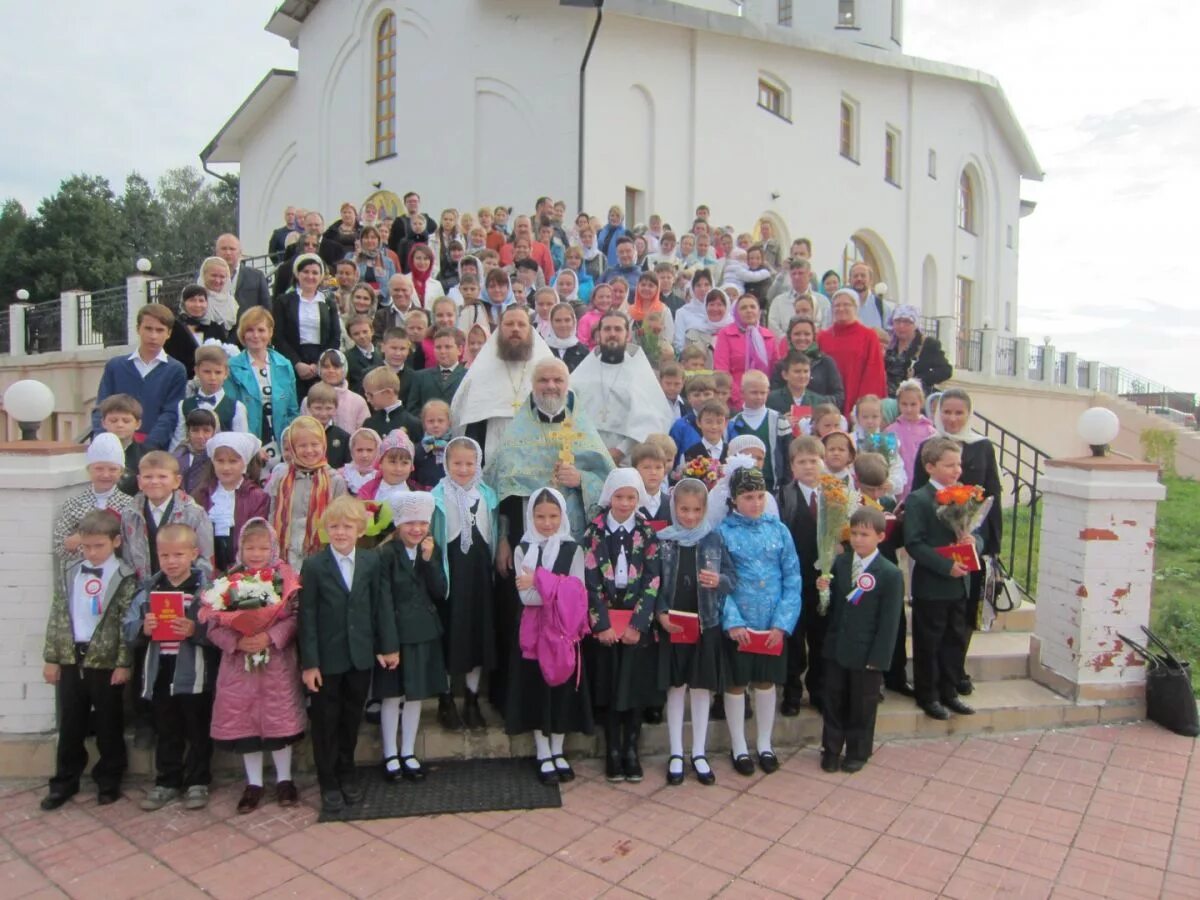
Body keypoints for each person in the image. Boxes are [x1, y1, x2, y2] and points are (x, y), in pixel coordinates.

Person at [299, 496, 399, 812]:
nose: (341, 532)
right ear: (326, 530)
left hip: (359, 656)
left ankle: (347, 770)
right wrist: (310, 663)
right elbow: (308, 616)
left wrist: (387, 645)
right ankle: (327, 779)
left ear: (359, 529)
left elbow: (381, 605)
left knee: (350, 716)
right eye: (335, 526)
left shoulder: (371, 561)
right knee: (326, 718)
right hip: (327, 658)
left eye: (347, 526)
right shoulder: (314, 565)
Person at [40, 510, 138, 810]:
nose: (92, 552)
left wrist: (124, 662)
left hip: (105, 660)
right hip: (72, 657)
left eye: (99, 546)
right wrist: (53, 657)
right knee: (71, 723)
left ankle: (109, 780)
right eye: (87, 546)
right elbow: (59, 615)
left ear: (116, 542)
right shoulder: (70, 572)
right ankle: (65, 781)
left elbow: (126, 624)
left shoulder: (125, 576)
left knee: (109, 723)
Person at [205, 519, 305, 813]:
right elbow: (213, 624)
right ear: (240, 549)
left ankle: (285, 780)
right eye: (250, 547)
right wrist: (237, 641)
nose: (256, 553)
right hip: (240, 669)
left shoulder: (284, 578)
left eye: (263, 547)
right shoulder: (228, 580)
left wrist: (269, 636)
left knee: (278, 724)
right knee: (245, 726)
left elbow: (295, 618)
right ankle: (254, 783)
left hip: (276, 665)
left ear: (273, 548)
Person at [910, 388, 1003, 695]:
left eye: (958, 412)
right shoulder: (929, 446)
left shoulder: (982, 446)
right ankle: (932, 685)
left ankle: (955, 674)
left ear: (968, 414)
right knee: (935, 624)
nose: (952, 418)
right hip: (937, 549)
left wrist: (986, 544)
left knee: (961, 619)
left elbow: (992, 497)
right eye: (946, 412)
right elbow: (921, 494)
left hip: (970, 544)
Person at [123, 523, 217, 811]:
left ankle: (198, 781)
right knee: (167, 727)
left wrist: (196, 630)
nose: (172, 562)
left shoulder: (206, 590)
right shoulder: (149, 588)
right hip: (161, 670)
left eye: (178, 554)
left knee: (198, 727)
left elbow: (220, 629)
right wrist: (144, 628)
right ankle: (167, 781)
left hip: (194, 672)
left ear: (194, 554)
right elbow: (127, 627)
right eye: (165, 556)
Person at [507, 488, 593, 783]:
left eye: (553, 516)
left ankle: (558, 749)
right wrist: (557, 587)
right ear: (530, 517)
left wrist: (540, 580)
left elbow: (578, 595)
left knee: (562, 695)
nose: (547, 523)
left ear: (563, 516)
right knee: (538, 693)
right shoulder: (524, 549)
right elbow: (527, 598)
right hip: (534, 634)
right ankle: (543, 752)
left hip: (564, 635)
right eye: (540, 516)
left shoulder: (573, 550)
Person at [719, 466, 801, 776]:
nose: (755, 503)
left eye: (760, 496)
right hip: (740, 625)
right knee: (737, 683)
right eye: (747, 497)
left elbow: (793, 576)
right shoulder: (723, 533)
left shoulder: (779, 530)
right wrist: (733, 622)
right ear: (734, 499)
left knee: (766, 682)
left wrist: (782, 623)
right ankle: (738, 745)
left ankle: (764, 743)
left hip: (771, 625)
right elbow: (719, 584)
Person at [583, 469, 663, 783]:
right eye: (619, 497)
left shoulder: (647, 532)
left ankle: (632, 748)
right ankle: (612, 750)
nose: (625, 503)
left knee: (634, 688)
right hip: (607, 627)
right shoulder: (594, 531)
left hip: (634, 626)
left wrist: (639, 624)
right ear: (609, 497)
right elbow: (589, 580)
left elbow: (652, 579)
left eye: (631, 497)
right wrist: (601, 623)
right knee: (611, 687)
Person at [655, 479, 734, 786]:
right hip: (672, 625)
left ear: (705, 509)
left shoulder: (713, 539)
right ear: (674, 508)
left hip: (706, 626)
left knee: (701, 688)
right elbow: (654, 582)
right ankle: (676, 751)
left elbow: (732, 578)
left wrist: (719, 581)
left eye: (696, 510)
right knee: (675, 687)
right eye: (683, 509)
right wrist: (660, 614)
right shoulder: (663, 540)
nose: (689, 516)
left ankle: (698, 752)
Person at [820, 506, 904, 773]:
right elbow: (832, 608)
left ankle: (858, 750)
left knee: (862, 704)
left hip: (866, 652)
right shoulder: (841, 563)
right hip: (837, 647)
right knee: (833, 700)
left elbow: (890, 621)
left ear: (880, 536)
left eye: (864, 534)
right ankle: (831, 748)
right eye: (854, 533)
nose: (858, 539)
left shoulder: (889, 573)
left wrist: (878, 658)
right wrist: (823, 593)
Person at [373, 491, 448, 782]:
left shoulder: (430, 549)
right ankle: (390, 752)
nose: (416, 529)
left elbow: (439, 591)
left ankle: (408, 751)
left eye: (422, 523)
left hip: (423, 632)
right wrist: (387, 644)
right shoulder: (386, 555)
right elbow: (383, 602)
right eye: (409, 523)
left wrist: (429, 561)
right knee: (392, 696)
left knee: (415, 695)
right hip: (396, 634)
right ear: (399, 524)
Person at [904, 437, 977, 720]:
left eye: (958, 464)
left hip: (960, 584)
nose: (956, 470)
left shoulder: (966, 496)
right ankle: (929, 694)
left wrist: (973, 542)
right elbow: (915, 543)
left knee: (954, 640)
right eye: (949, 465)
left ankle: (950, 691)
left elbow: (977, 535)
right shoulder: (919, 499)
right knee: (930, 642)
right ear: (930, 467)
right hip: (933, 585)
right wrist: (945, 566)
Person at [428, 437, 498, 731]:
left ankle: (471, 699)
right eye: (457, 463)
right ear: (446, 463)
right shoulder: (437, 497)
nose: (464, 468)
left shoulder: (487, 496)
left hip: (480, 577)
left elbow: (495, 533)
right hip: (450, 578)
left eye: (470, 463)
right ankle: (446, 700)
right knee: (450, 636)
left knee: (478, 636)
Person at [570, 311, 675, 464]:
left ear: (628, 335)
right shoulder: (584, 371)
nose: (612, 334)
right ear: (599, 334)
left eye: (618, 329)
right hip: (584, 455)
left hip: (626, 459)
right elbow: (569, 412)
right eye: (607, 329)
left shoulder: (640, 373)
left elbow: (652, 420)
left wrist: (621, 450)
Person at [450, 306, 552, 461]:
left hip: (538, 455)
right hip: (492, 454)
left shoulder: (546, 367)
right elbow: (468, 421)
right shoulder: (482, 371)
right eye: (509, 324)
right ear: (499, 328)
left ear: (530, 330)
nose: (515, 329)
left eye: (521, 324)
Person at [93, 303, 188, 451]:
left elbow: (171, 413)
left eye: (160, 330)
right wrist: (102, 440)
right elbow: (101, 407)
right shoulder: (115, 366)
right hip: (114, 447)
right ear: (138, 329)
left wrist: (149, 445)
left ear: (168, 333)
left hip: (154, 450)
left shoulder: (176, 370)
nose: (153, 336)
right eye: (148, 328)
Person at [776, 435, 825, 716]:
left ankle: (818, 690)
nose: (808, 466)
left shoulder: (835, 495)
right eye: (802, 462)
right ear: (792, 466)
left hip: (824, 581)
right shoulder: (784, 496)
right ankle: (792, 692)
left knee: (821, 637)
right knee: (794, 639)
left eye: (813, 460)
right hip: (795, 579)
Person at [52, 434, 135, 587]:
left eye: (112, 469)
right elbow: (59, 546)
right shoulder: (73, 504)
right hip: (80, 574)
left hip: (117, 577)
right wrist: (83, 546)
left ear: (121, 471)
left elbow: (133, 546)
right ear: (89, 469)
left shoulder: (130, 505)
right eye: (99, 468)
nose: (105, 474)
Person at [120, 451, 215, 581]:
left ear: (177, 481)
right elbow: (127, 558)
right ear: (139, 482)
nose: (154, 482)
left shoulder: (194, 514)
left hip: (184, 589)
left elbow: (205, 558)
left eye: (162, 477)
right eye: (148, 477)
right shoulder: (129, 514)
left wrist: (194, 588)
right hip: (142, 589)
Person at [268, 416, 348, 565]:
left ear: (323, 445)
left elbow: (341, 519)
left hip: (322, 557)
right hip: (286, 555)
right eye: (302, 445)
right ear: (293, 448)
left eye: (314, 444)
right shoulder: (280, 478)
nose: (309, 450)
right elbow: (272, 515)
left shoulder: (334, 479)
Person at [226, 308, 300, 468]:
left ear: (271, 332)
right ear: (242, 334)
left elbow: (292, 410)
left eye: (261, 330)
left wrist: (289, 444)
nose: (256, 335)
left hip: (280, 441)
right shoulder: (232, 367)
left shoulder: (284, 364)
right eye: (250, 330)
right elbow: (232, 411)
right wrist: (251, 445)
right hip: (248, 440)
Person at [193, 432, 268, 571]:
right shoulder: (201, 495)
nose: (226, 467)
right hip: (209, 566)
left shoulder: (257, 497)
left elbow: (256, 535)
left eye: (233, 461)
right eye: (220, 461)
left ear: (244, 463)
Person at [272, 254, 343, 401]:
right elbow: (278, 336)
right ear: (297, 274)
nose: (310, 276)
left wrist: (320, 364)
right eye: (306, 272)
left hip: (321, 359)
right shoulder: (284, 301)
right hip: (293, 357)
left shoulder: (328, 302)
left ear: (321, 276)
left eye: (315, 273)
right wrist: (297, 363)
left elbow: (335, 335)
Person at [817, 289, 887, 415]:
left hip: (856, 398)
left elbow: (874, 373)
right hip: (830, 400)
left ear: (856, 307)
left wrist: (862, 406)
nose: (841, 308)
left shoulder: (868, 336)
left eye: (846, 304)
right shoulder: (823, 337)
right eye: (837, 305)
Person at [171, 344, 249, 448]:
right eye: (207, 372)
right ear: (197, 371)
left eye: (218, 372)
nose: (213, 377)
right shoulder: (184, 405)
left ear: (226, 373)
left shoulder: (237, 408)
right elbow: (179, 442)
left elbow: (241, 444)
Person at [728, 371, 788, 489]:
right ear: (742, 393)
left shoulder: (779, 420)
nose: (759, 397)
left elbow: (787, 453)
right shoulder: (733, 423)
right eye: (754, 393)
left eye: (763, 393)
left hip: (772, 483)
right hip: (743, 483)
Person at [772, 317, 845, 411]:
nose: (802, 338)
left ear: (813, 337)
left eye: (807, 334)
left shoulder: (825, 362)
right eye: (797, 334)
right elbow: (774, 396)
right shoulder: (781, 365)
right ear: (790, 336)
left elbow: (838, 397)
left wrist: (816, 405)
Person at [885, 379, 939, 502]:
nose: (909, 409)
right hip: (901, 489)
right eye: (904, 404)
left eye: (913, 404)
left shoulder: (930, 432)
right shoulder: (890, 432)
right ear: (898, 404)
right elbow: (890, 460)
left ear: (921, 403)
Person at [884, 305, 953, 398]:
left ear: (915, 325)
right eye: (897, 321)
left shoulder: (927, 344)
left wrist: (919, 380)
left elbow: (945, 370)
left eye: (907, 322)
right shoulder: (888, 342)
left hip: (913, 400)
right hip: (886, 396)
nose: (901, 326)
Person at [165, 285, 228, 377]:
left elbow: (223, 356)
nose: (197, 305)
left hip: (211, 380)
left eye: (201, 300)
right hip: (181, 378)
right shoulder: (175, 327)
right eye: (192, 300)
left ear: (207, 303)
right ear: (183, 303)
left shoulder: (216, 328)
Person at [405, 327, 466, 410]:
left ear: (460, 350)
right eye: (438, 347)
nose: (442, 351)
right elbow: (412, 409)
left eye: (448, 347)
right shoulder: (420, 377)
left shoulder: (468, 376)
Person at [766, 259, 831, 335]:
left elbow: (826, 328)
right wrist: (791, 343)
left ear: (809, 275)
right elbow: (773, 328)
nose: (796, 277)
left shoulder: (822, 301)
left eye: (800, 273)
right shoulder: (778, 302)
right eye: (794, 274)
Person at [215, 234, 271, 318]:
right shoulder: (208, 276)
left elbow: (266, 308)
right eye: (224, 249)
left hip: (247, 328)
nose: (228, 252)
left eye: (232, 249)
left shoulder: (256, 276)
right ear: (216, 252)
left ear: (240, 253)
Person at [361, 366, 422, 442]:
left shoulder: (412, 424)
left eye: (370, 395)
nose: (368, 400)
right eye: (366, 395)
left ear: (388, 393)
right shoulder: (369, 424)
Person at [673, 285, 731, 358]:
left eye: (719, 305)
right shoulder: (693, 333)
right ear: (705, 307)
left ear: (727, 307)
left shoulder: (735, 331)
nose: (715, 309)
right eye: (711, 304)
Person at [173, 408, 217, 497]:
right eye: (195, 430)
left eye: (206, 430)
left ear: (214, 432)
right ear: (188, 432)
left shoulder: (217, 459)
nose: (200, 436)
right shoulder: (178, 456)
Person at [413, 400, 452, 489]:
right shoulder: (418, 449)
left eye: (440, 421)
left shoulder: (454, 448)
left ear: (449, 422)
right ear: (424, 424)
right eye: (431, 421)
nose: (436, 425)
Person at [848, 262, 894, 338]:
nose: (859, 279)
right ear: (849, 280)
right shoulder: (839, 306)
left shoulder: (883, 307)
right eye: (855, 276)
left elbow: (891, 339)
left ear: (871, 280)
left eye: (863, 276)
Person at [199, 257, 240, 333]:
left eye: (222, 277)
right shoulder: (196, 300)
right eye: (213, 275)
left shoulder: (232, 302)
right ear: (204, 275)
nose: (217, 280)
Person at [544, 302, 588, 371]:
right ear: (551, 322)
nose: (563, 325)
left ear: (574, 322)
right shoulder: (543, 349)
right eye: (558, 320)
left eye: (567, 320)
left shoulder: (583, 352)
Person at [341, 427, 382, 495]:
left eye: (369, 450)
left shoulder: (382, 476)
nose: (364, 455)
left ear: (377, 451)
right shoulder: (344, 474)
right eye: (359, 450)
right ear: (352, 450)